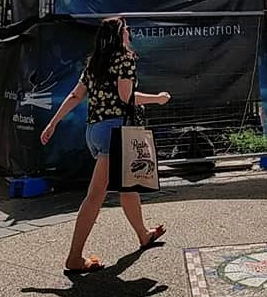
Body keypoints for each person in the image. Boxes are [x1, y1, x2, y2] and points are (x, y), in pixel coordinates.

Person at [40, 16, 171, 273]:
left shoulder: (93, 64)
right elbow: (126, 97)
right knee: (95, 196)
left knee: (127, 187)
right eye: (126, 29)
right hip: (115, 132)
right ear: (119, 35)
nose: (129, 32)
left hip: (95, 131)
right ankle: (74, 258)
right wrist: (157, 98)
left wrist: (53, 122)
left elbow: (76, 95)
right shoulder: (125, 58)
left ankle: (143, 234)